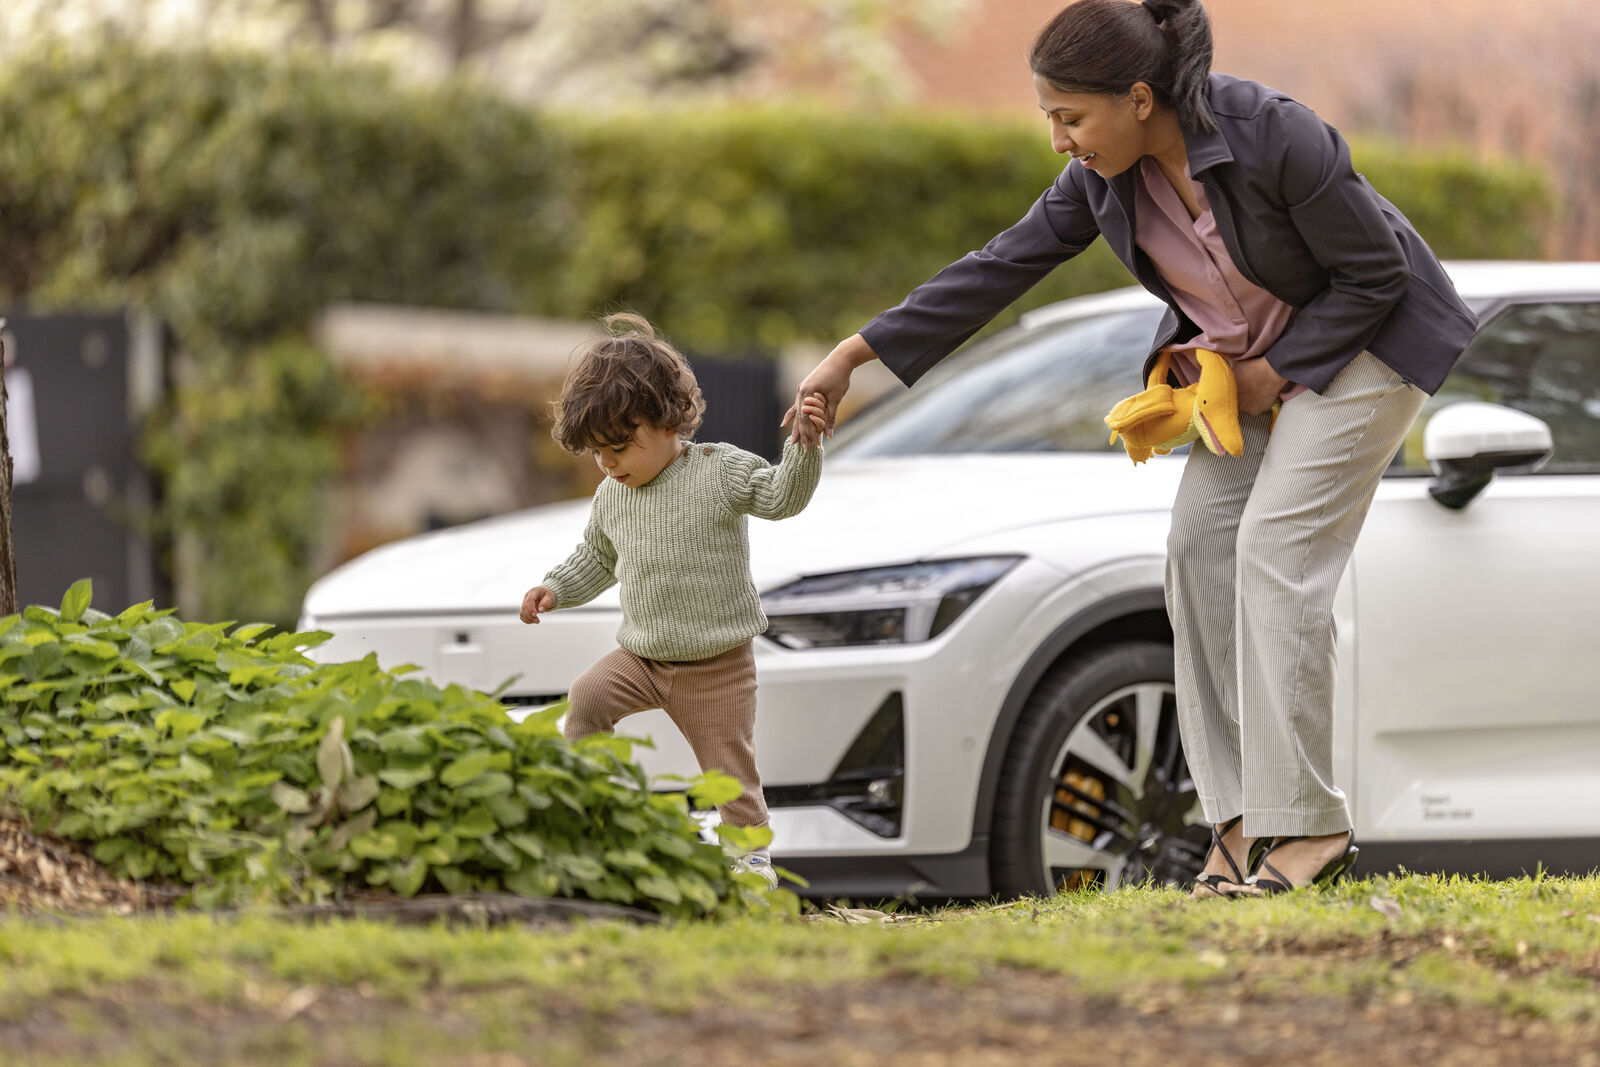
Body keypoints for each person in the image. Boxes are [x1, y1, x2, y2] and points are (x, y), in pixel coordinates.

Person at [783, 0, 1476, 898]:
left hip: (1366, 349)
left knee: (1275, 551)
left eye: (1070, 118)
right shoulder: (1104, 182)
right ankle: (1235, 818)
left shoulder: (1277, 136)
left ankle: (1311, 826)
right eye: (1050, 119)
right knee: (1195, 551)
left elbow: (1377, 272)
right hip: (1244, 369)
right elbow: (998, 266)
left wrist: (1279, 370)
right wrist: (852, 356)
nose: (1059, 140)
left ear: (1140, 99)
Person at [525, 312, 826, 886]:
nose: (608, 463)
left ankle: (752, 865)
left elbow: (783, 497)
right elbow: (598, 558)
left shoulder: (719, 470)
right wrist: (555, 588)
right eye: (596, 452)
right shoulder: (612, 495)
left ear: (666, 420)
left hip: (716, 666)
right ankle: (594, 808)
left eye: (618, 446)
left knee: (730, 777)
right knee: (586, 697)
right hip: (642, 658)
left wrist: (803, 448)